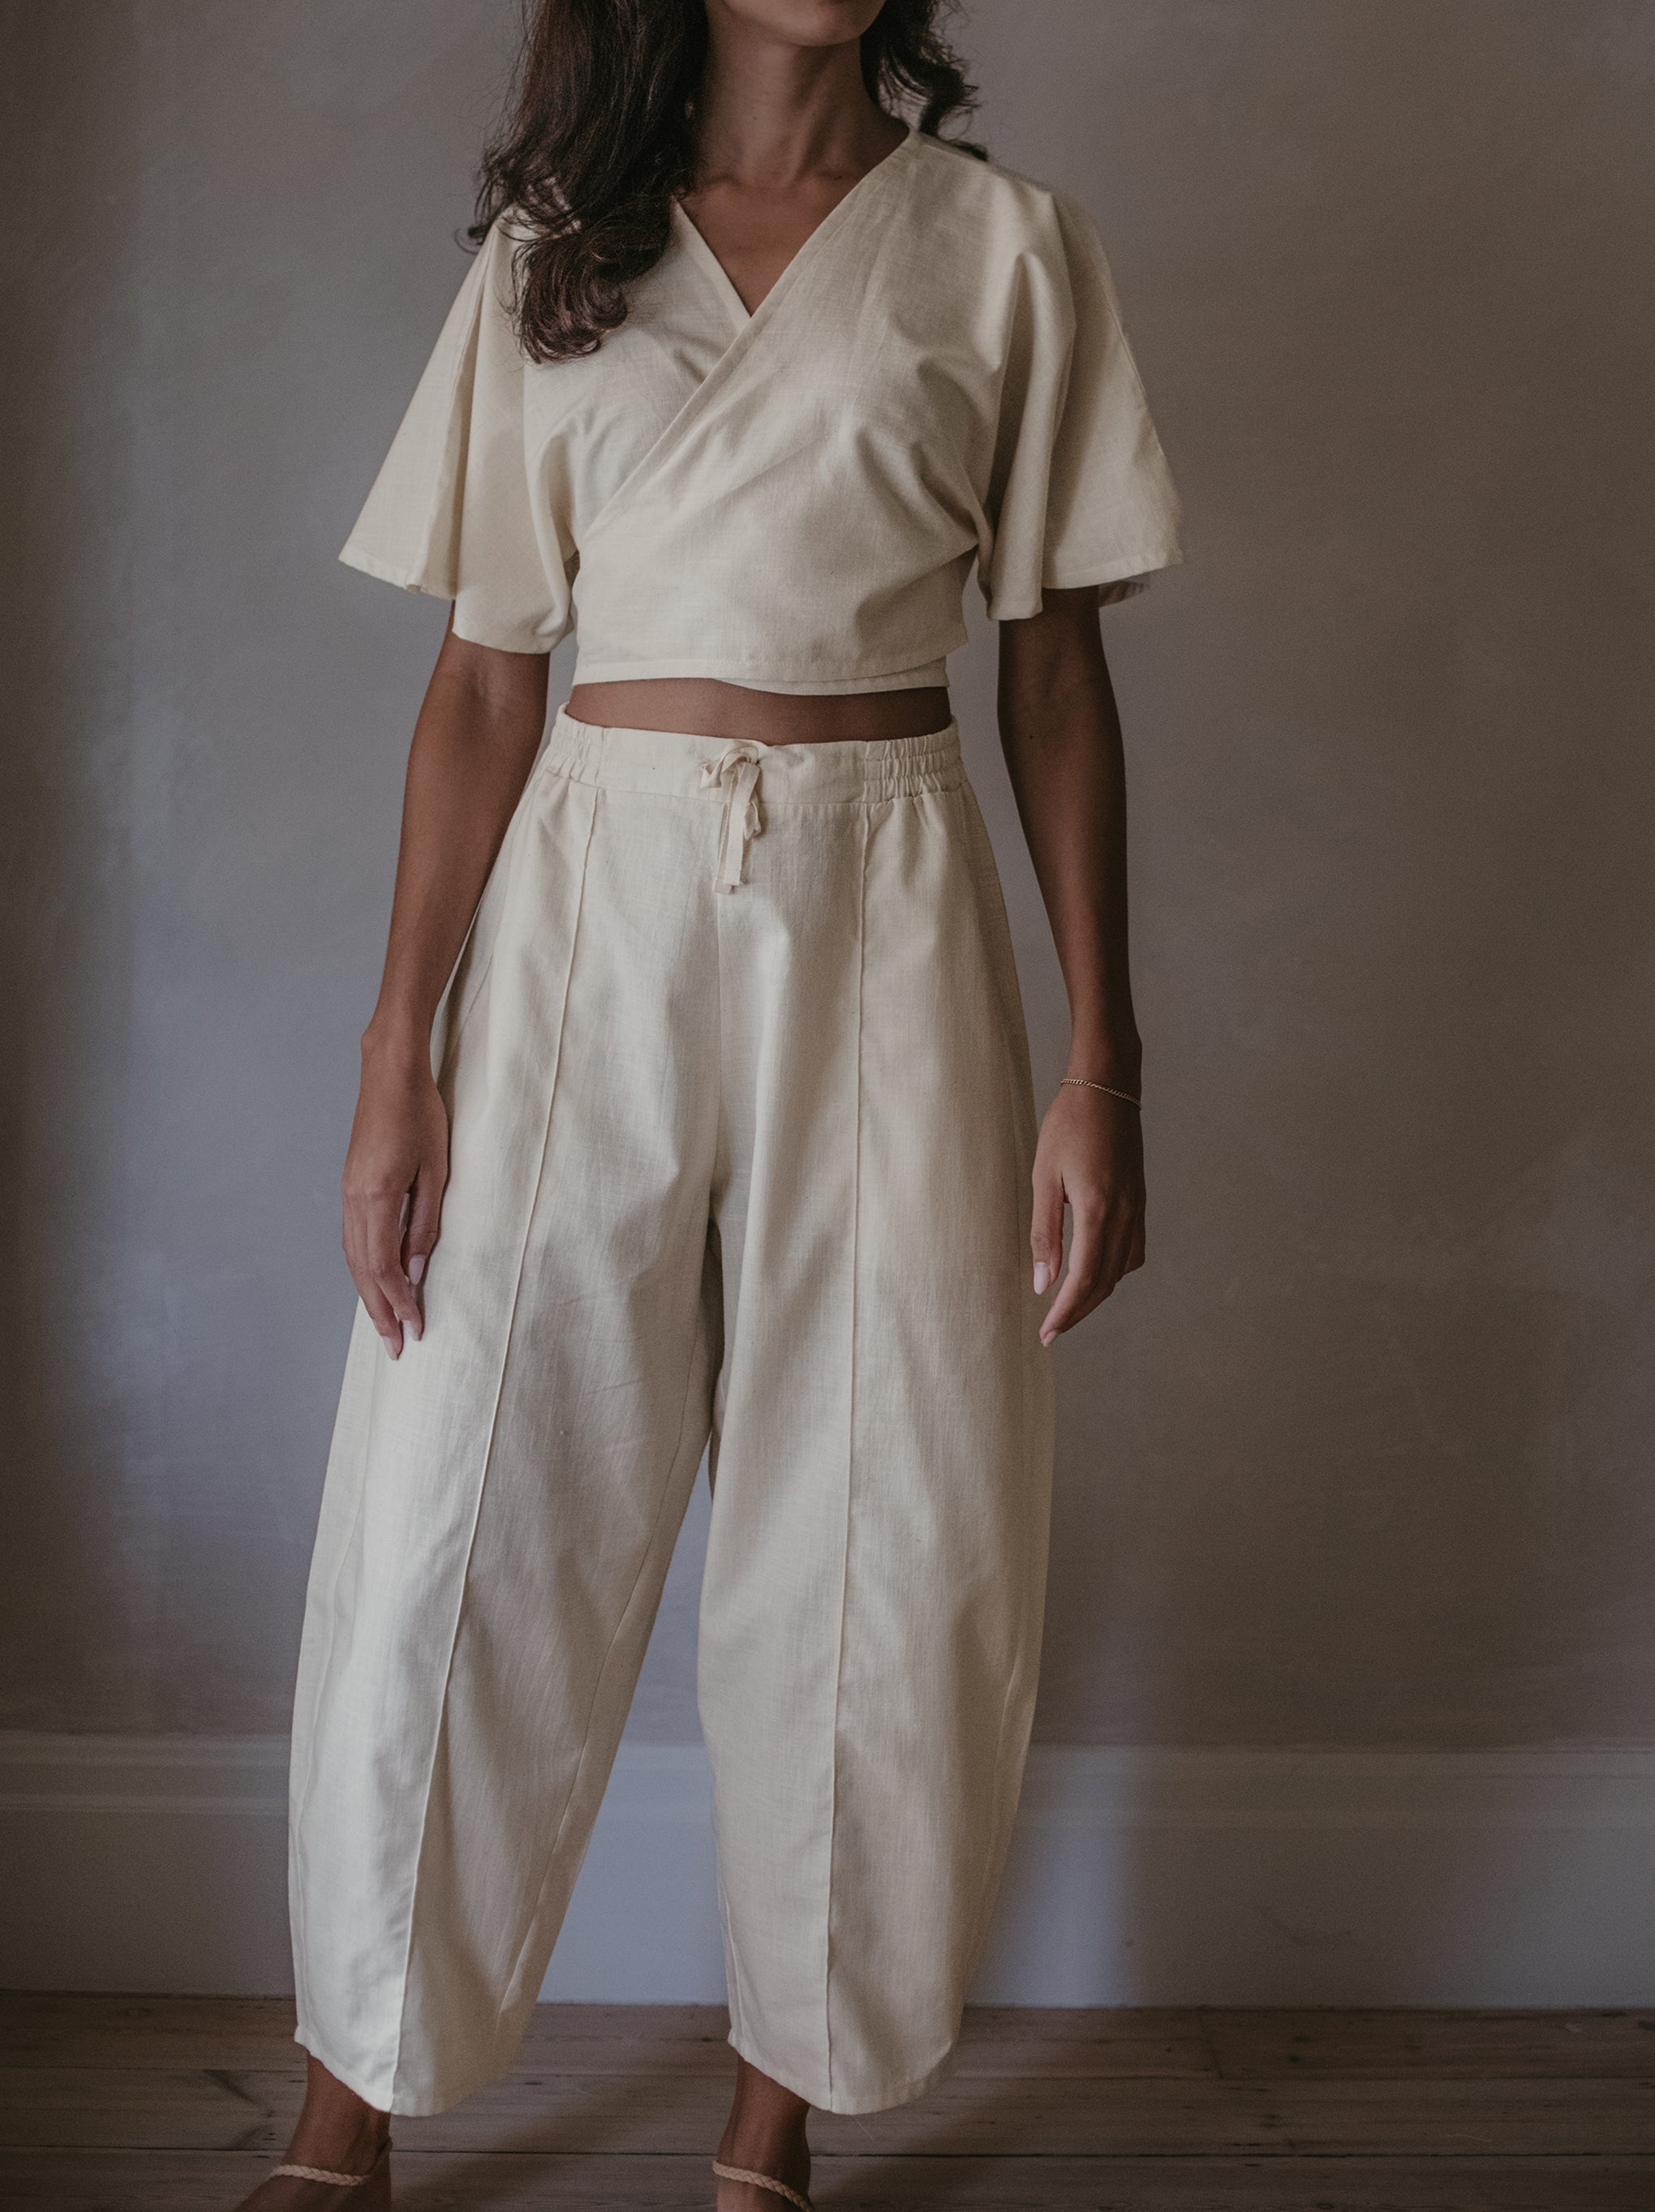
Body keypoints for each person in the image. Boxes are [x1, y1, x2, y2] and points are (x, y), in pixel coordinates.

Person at [247, 1, 1181, 2205]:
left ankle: (778, 2109)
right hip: (597, 899)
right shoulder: (555, 254)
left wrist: (1103, 1065)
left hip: (892, 902)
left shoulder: (1006, 248)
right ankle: (350, 2088)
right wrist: (397, 1056)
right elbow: (485, 683)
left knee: (882, 1509)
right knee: (464, 1497)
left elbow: (1057, 674)